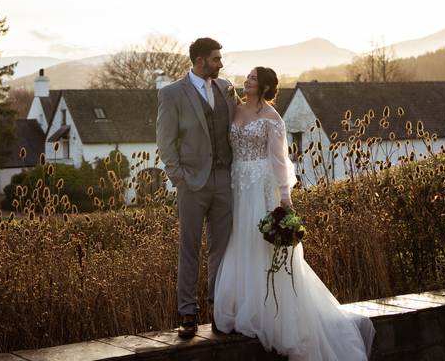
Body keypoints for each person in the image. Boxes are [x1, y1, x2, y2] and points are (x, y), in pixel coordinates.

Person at [213, 66, 374, 360]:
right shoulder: (233, 107)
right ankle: (241, 306)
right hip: (237, 185)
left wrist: (285, 200)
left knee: (260, 243)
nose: (246, 81)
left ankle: (269, 311)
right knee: (240, 241)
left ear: (262, 87)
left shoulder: (273, 119)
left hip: (261, 187)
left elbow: (279, 161)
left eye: (251, 79)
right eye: (247, 77)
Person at [156, 37, 237, 338]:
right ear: (200, 60)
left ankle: (219, 310)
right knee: (189, 249)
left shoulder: (226, 88)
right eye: (216, 59)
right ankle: (187, 313)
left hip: (224, 181)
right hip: (192, 183)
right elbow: (165, 142)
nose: (221, 64)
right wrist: (180, 178)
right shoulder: (172, 93)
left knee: (222, 250)